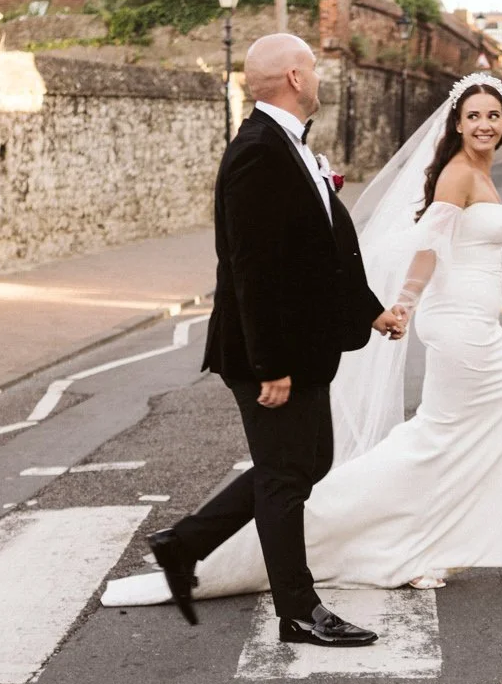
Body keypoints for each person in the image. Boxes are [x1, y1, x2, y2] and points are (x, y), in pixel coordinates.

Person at [103, 72, 502, 610]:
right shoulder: (459, 174)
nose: (484, 124)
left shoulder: (481, 172)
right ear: (457, 125)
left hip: (478, 324)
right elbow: (427, 247)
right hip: (460, 327)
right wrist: (405, 303)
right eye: (474, 117)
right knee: (443, 437)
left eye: (493, 115)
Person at [134, 33, 405, 648]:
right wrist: (271, 367)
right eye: (311, 68)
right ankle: (300, 612)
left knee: (309, 463)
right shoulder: (259, 150)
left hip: (304, 346)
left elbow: (319, 257)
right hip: (272, 353)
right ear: (293, 76)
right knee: (285, 478)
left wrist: (369, 313)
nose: (317, 78)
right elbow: (253, 273)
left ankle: (183, 544)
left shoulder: (290, 147)